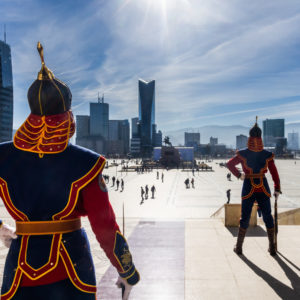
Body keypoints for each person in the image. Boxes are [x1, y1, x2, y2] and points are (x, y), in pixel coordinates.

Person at [0, 43, 139, 300]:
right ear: (67, 115)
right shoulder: (85, 163)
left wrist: (0, 227)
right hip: (71, 270)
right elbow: (105, 226)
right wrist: (126, 270)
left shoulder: (3, 156)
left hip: (19, 272)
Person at [227, 117, 281, 256]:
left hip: (248, 186)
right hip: (263, 186)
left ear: (250, 136)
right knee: (268, 216)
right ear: (260, 137)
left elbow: (229, 164)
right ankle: (272, 247)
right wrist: (276, 188)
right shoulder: (267, 154)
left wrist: (239, 176)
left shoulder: (243, 153)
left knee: (244, 217)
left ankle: (239, 247)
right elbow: (274, 172)